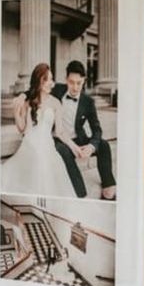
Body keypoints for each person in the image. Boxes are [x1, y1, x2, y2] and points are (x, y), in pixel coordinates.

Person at [1, 63, 75, 197]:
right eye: (46, 80)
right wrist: (16, 112)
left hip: (46, 144)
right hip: (30, 142)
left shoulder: (56, 103)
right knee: (36, 153)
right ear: (38, 81)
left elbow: (59, 132)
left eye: (51, 79)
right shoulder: (28, 102)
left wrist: (74, 147)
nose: (50, 83)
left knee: (44, 157)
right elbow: (22, 129)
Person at [52, 60, 116, 200]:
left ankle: (108, 187)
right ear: (66, 80)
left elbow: (97, 130)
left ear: (84, 81)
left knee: (104, 145)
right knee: (63, 151)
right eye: (71, 82)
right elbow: (38, 87)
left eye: (79, 83)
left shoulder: (88, 102)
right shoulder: (56, 89)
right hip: (60, 139)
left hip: (79, 138)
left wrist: (92, 147)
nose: (75, 87)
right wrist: (23, 95)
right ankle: (81, 195)